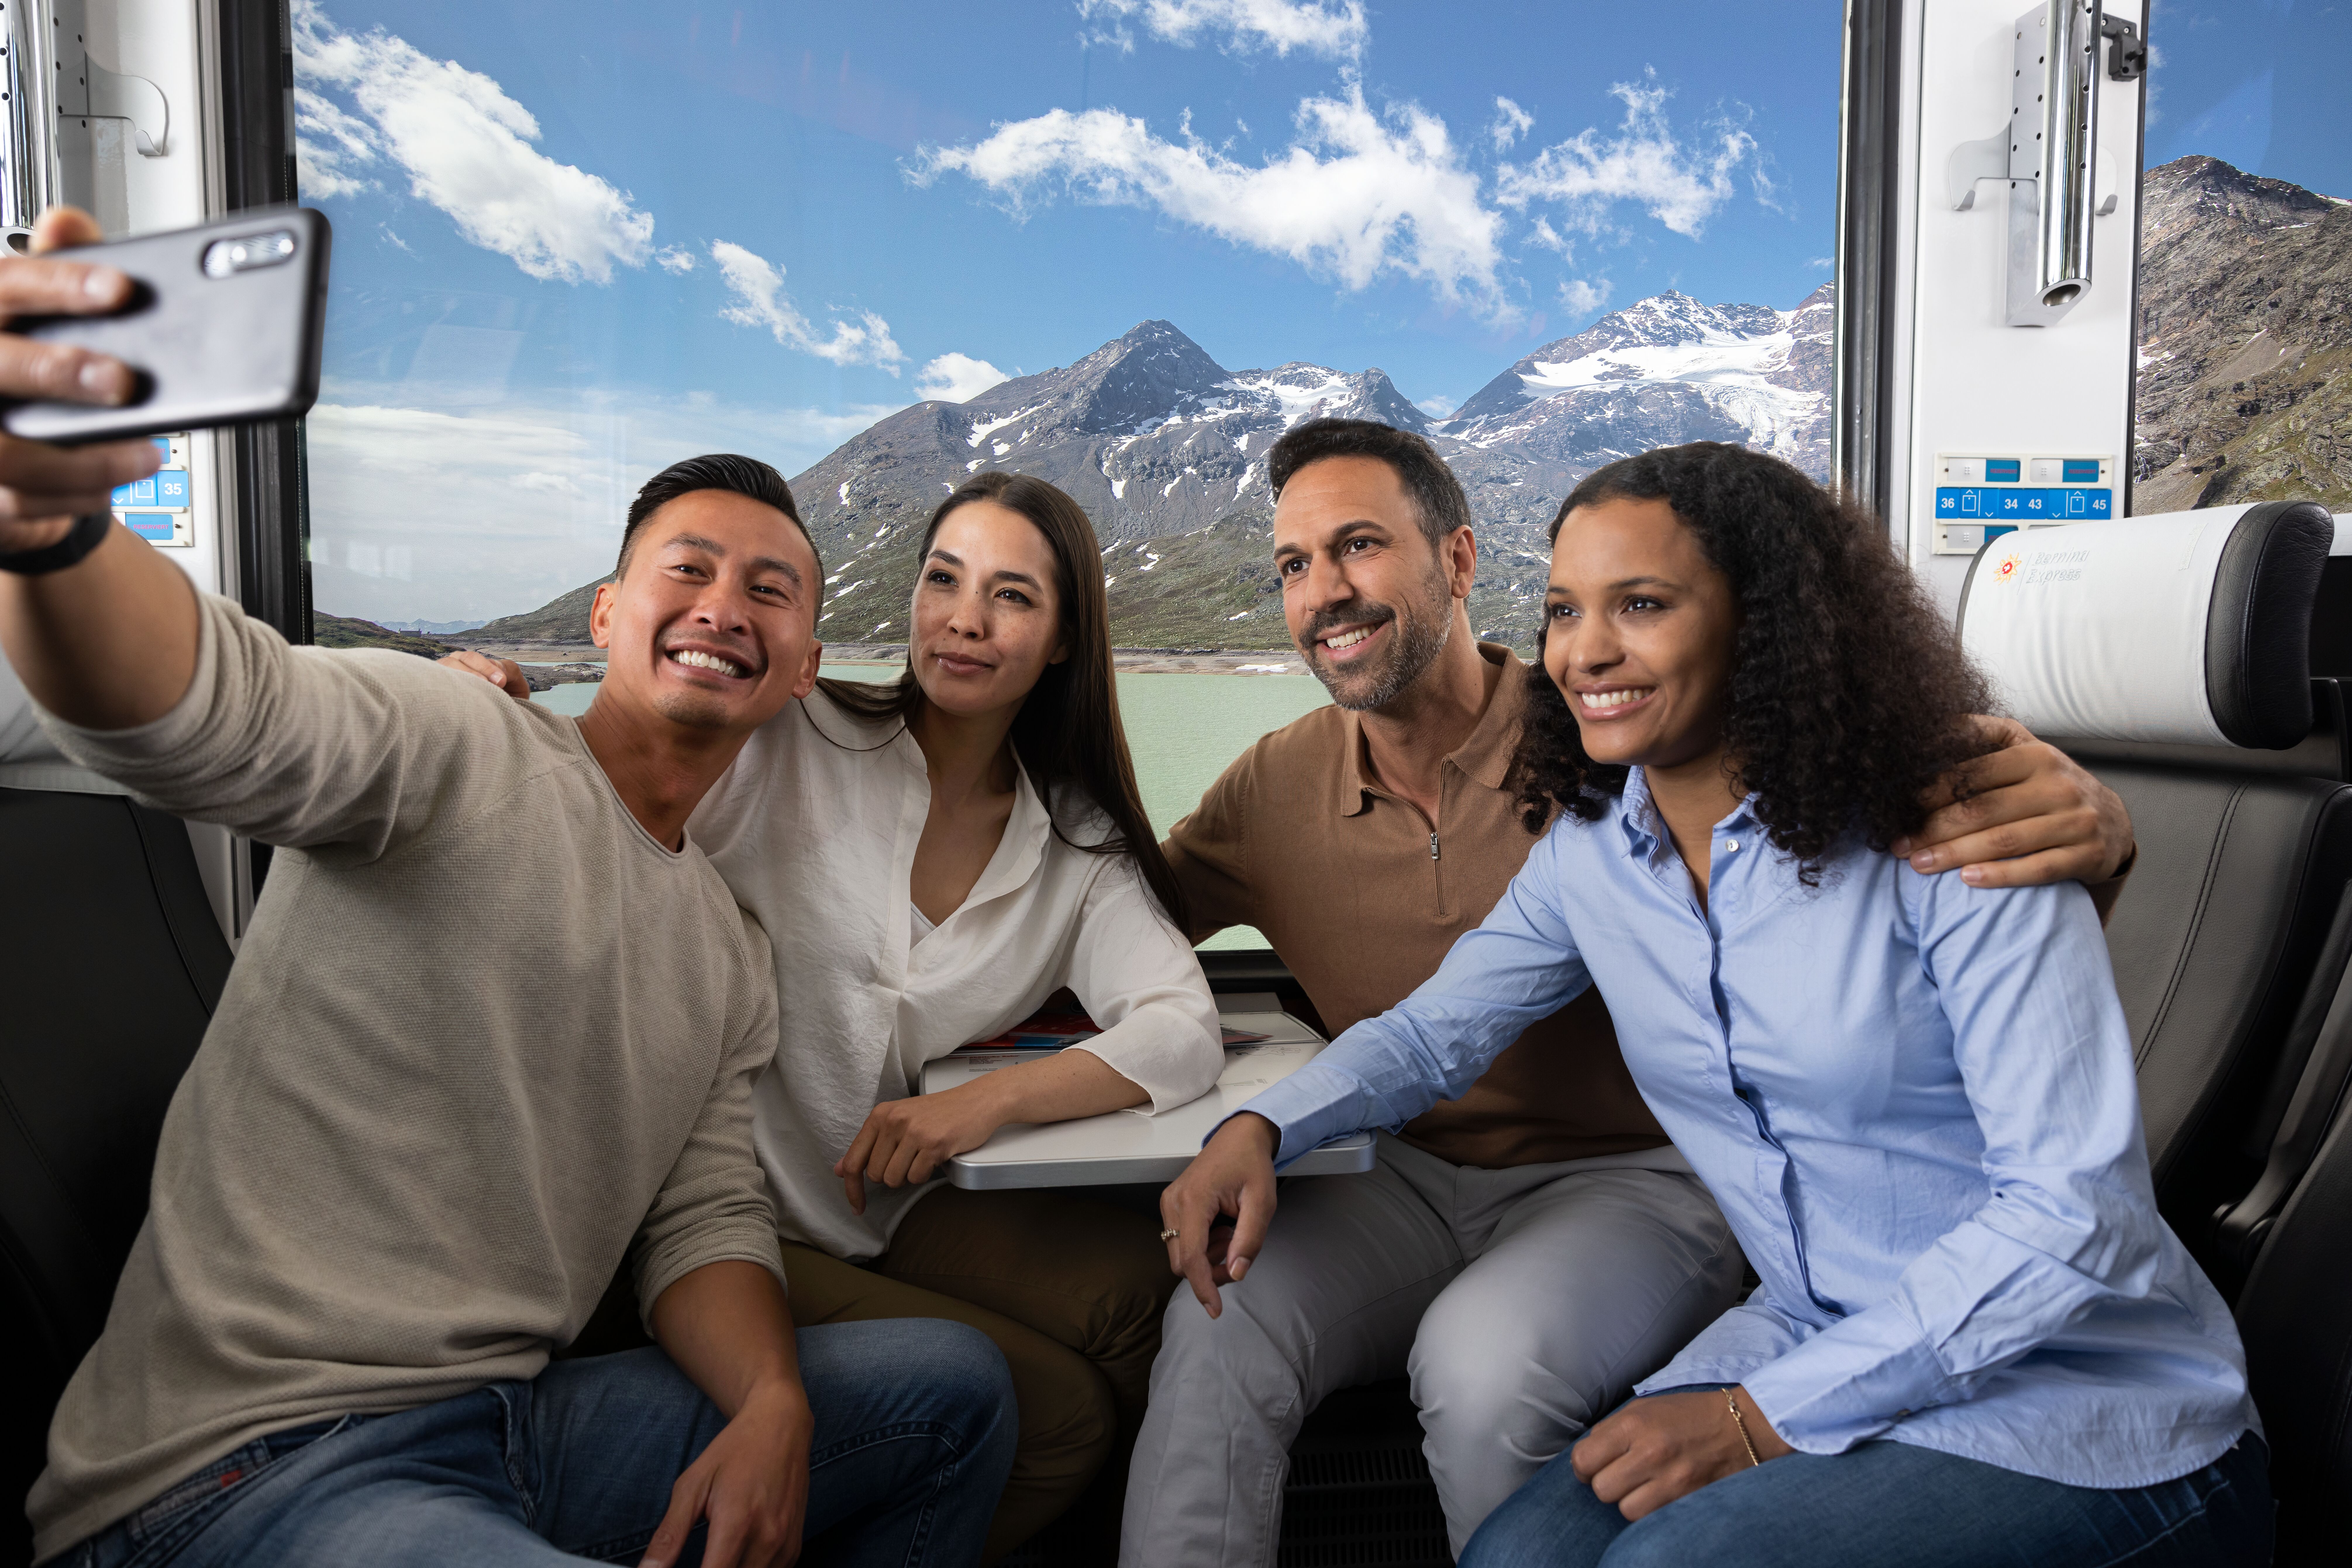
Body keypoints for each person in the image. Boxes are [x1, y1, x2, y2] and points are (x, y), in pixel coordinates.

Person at [0, 210, 1016, 1567]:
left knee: (951, 1396)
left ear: (795, 668)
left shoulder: (723, 950)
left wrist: (773, 1401)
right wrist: (54, 530)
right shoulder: (454, 743)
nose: (726, 603)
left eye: (769, 591)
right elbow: (207, 714)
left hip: (512, 1430)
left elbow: (700, 1223)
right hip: (250, 1464)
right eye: (688, 569)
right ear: (605, 614)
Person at [1166, 441, 2265, 1568]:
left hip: (2076, 1401)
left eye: (1640, 604)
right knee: (1513, 1557)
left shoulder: (1955, 828)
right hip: (1810, 1334)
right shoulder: (1595, 847)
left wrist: (1757, 1417)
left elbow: (2074, 1216)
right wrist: (1261, 1125)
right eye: (1562, 610)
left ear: (1765, 622)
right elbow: (1435, 1028)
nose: (1585, 650)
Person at [453, 468, 1224, 1560]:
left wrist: (985, 1105)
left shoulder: (1072, 839)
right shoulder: (790, 730)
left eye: (1011, 596)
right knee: (1060, 1414)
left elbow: (1180, 1026)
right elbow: (618, 764)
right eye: (942, 580)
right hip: (716, 1211)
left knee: (1158, 1305)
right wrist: (486, 701)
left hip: (888, 1203)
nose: (962, 618)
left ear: (1061, 640)